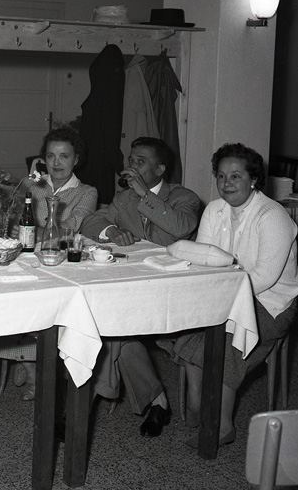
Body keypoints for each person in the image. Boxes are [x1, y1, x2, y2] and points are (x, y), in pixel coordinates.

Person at [168, 143, 298, 447]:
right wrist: (209, 302)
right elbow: (204, 260)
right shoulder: (215, 210)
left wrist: (222, 304)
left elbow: (264, 278)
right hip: (222, 295)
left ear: (253, 179)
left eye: (236, 176)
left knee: (228, 339)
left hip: (270, 304)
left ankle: (222, 423)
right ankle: (198, 399)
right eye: (221, 176)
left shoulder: (272, 215)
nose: (226, 183)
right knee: (188, 327)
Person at [80, 136, 202, 437]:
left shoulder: (184, 198)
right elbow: (90, 223)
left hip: (172, 294)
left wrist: (144, 194)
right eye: (131, 160)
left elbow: (180, 227)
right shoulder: (124, 199)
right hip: (134, 290)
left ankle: (81, 408)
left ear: (160, 169)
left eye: (141, 162)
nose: (132, 167)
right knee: (114, 330)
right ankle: (157, 401)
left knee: (110, 329)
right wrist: (111, 230)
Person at [6, 125, 98, 400]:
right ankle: (26, 361)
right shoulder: (29, 185)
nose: (56, 163)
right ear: (42, 158)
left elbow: (69, 227)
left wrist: (32, 230)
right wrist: (13, 226)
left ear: (76, 159)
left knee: (40, 308)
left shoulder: (87, 192)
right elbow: (9, 219)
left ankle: (27, 362)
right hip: (23, 260)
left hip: (59, 265)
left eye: (64, 156)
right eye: (50, 156)